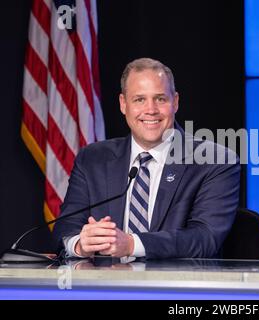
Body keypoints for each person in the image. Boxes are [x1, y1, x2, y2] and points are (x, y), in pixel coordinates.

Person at [52, 58, 240, 259]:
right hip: (105, 286)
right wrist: (81, 244)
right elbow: (65, 227)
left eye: (160, 99)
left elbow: (205, 238)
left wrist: (131, 244)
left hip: (176, 287)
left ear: (175, 102)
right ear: (123, 104)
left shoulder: (214, 160)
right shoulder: (92, 159)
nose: (151, 110)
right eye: (139, 99)